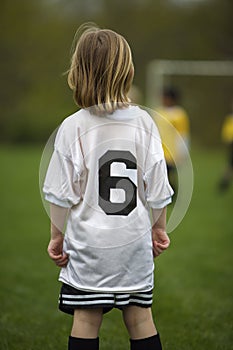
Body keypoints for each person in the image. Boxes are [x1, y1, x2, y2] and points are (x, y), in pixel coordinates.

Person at [43, 24, 173, 350]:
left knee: (86, 320)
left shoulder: (72, 127)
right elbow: (158, 186)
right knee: (141, 320)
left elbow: (60, 194)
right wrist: (159, 228)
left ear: (79, 72)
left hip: (89, 250)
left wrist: (57, 237)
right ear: (126, 72)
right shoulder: (145, 121)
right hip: (133, 247)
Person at [155, 87, 190, 194]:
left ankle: (171, 193)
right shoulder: (158, 112)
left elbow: (183, 135)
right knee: (159, 174)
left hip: (172, 151)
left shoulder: (179, 114)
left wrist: (183, 151)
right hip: (159, 148)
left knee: (169, 173)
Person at [218, 110, 233, 191]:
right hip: (232, 143)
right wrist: (228, 139)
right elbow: (227, 131)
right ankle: (223, 183)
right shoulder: (230, 118)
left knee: (230, 165)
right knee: (230, 164)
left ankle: (224, 182)